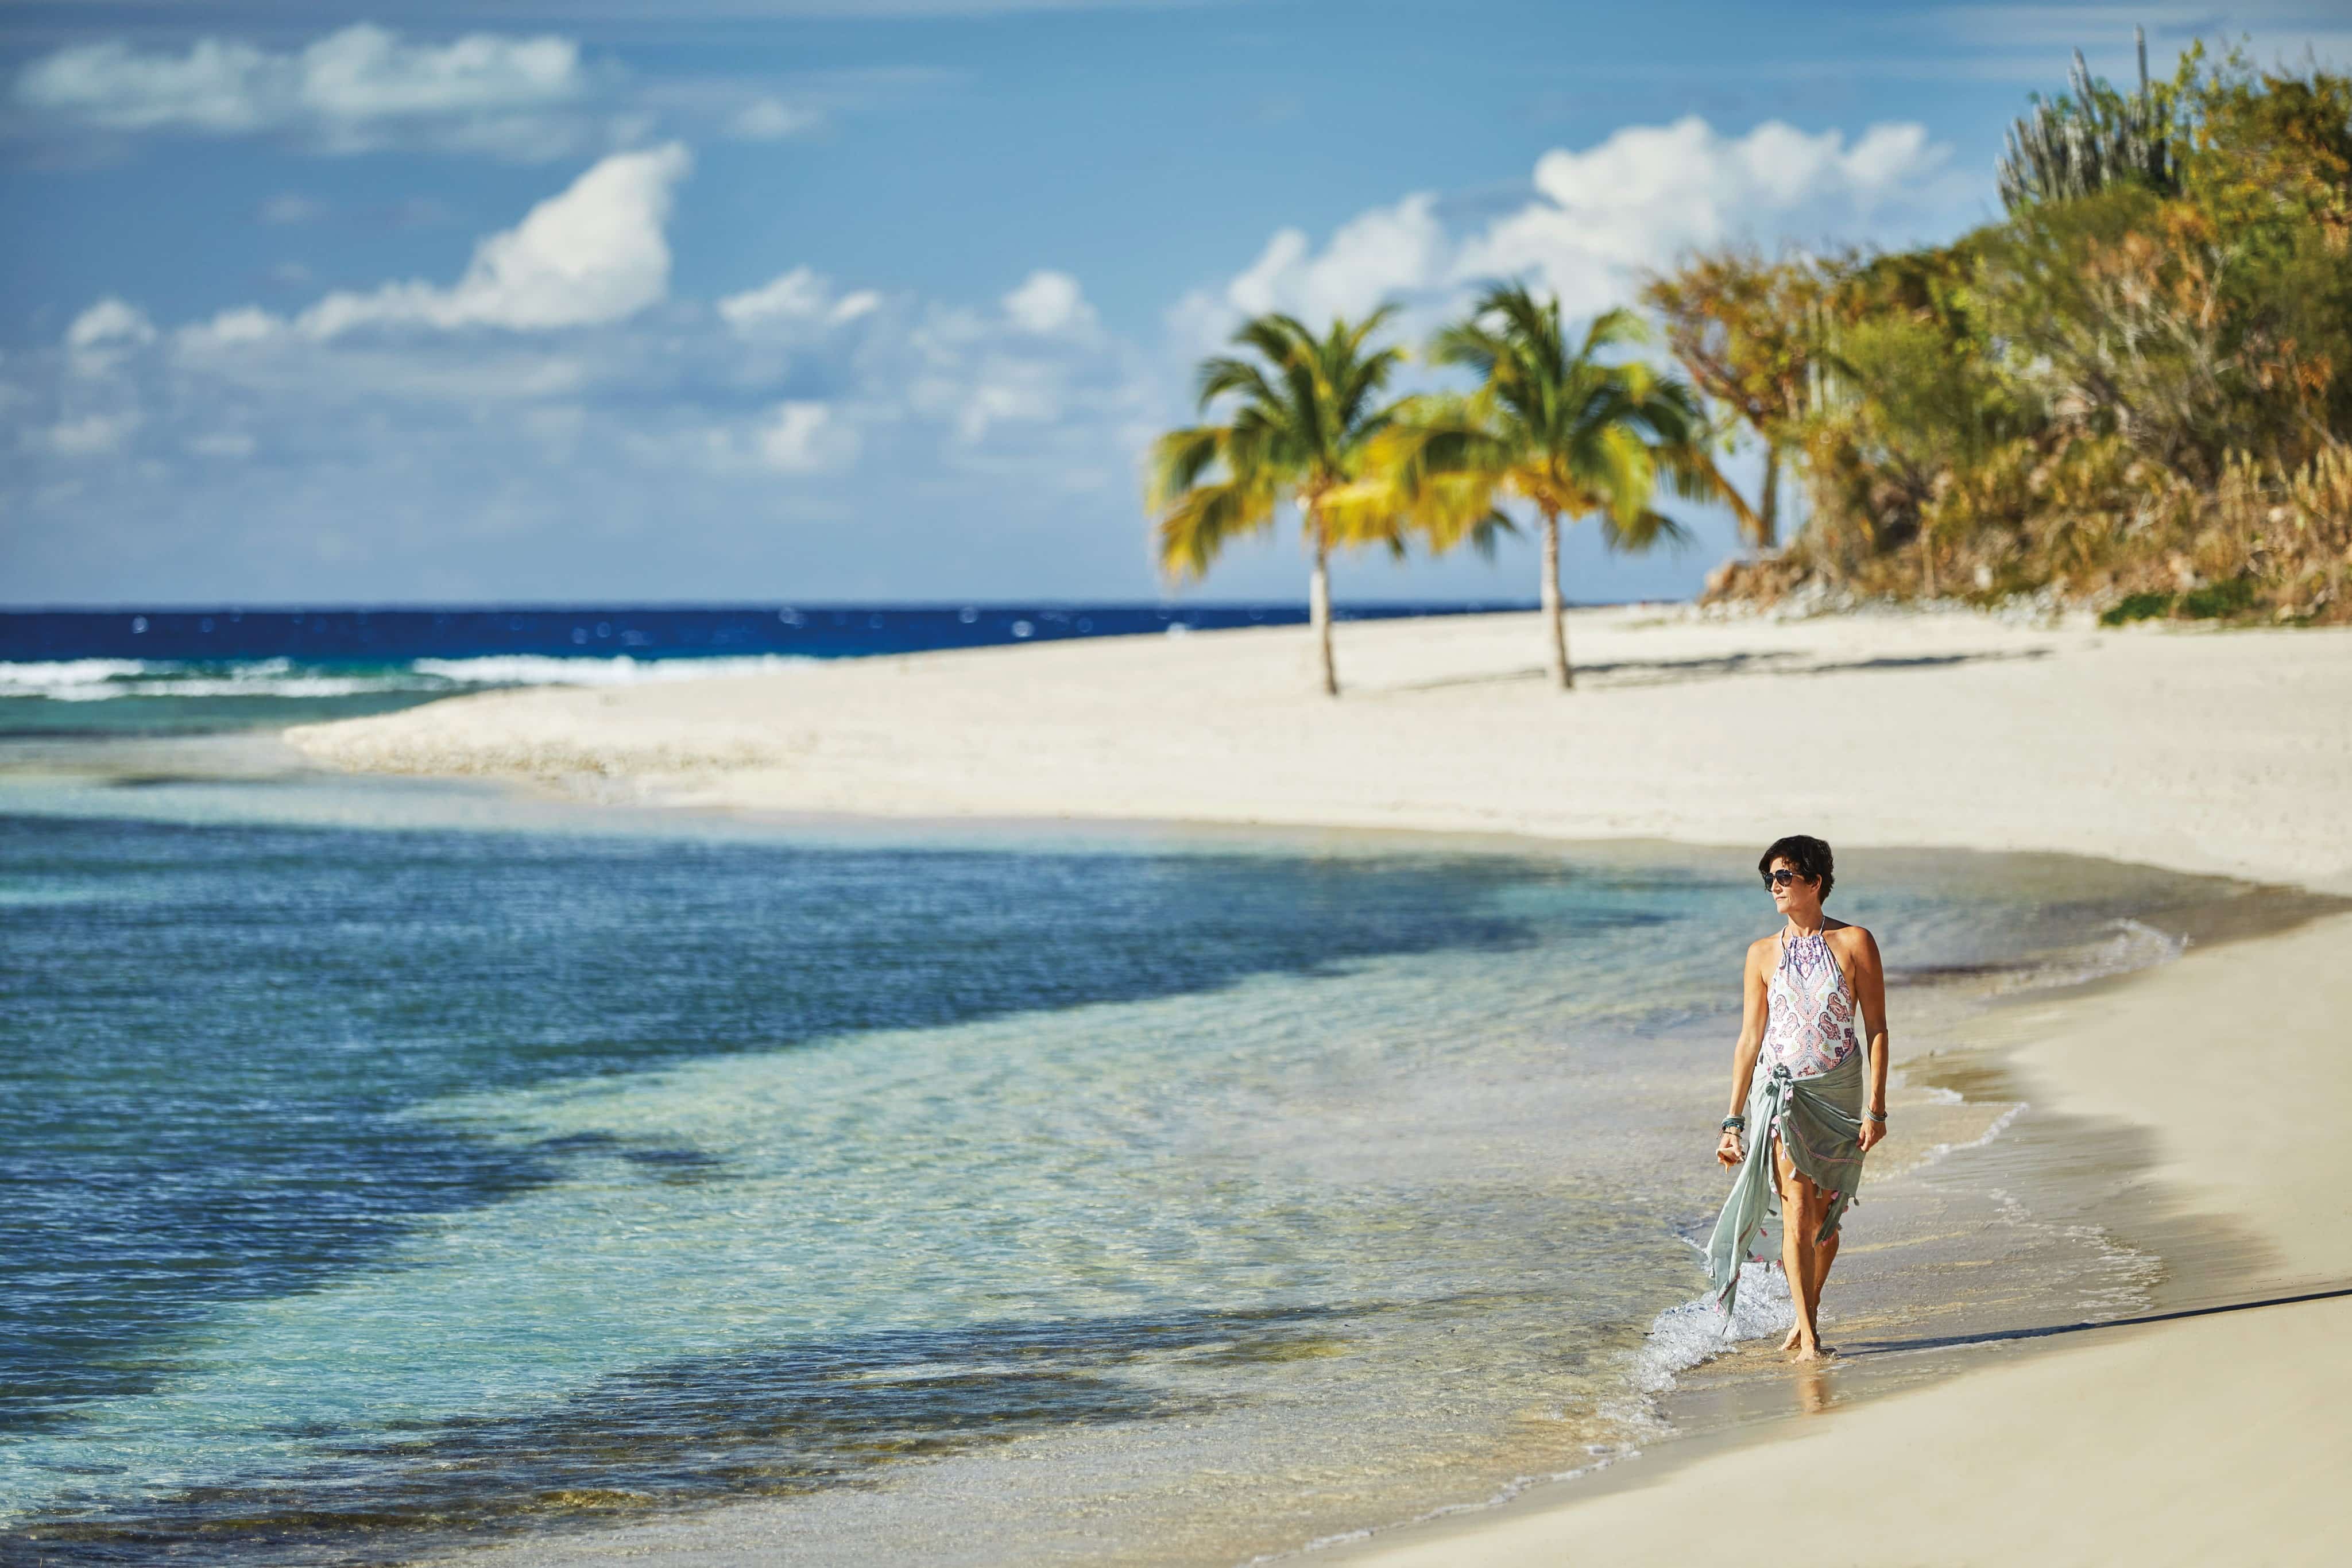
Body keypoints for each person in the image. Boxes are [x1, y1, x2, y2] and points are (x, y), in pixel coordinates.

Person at [1705, 834, 1889, 1361]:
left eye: (1784, 876)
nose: (1775, 888)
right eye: (1769, 879)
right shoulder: (1761, 953)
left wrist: (1876, 1106)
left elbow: (1875, 1027)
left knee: (1826, 1226)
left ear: (1815, 881)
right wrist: (1733, 1120)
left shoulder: (1856, 942)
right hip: (1781, 1093)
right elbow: (1749, 1039)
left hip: (1837, 1092)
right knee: (1798, 1212)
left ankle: (1803, 1309)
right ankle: (1809, 1337)